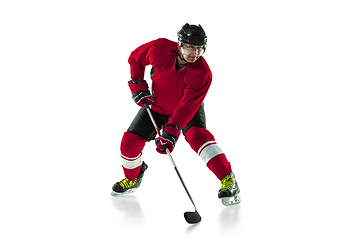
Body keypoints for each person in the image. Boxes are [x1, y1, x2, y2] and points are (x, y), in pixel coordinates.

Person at [111, 23, 240, 205]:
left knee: (198, 136)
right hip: (156, 106)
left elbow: (187, 107)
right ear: (180, 44)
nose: (194, 54)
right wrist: (137, 82)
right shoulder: (159, 48)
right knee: (128, 143)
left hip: (187, 110)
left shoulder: (202, 74)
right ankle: (134, 177)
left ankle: (229, 180)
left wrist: (171, 132)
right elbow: (135, 58)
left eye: (199, 49)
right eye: (189, 47)